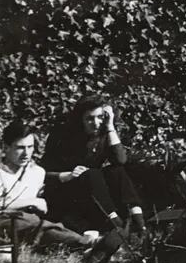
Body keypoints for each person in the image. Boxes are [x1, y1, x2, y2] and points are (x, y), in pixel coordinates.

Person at [0, 121, 122, 263]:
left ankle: (86, 248)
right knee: (29, 223)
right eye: (20, 147)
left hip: (24, 226)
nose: (26, 153)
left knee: (38, 223)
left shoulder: (36, 173)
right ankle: (88, 243)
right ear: (6, 148)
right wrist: (31, 202)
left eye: (30, 147)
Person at [41, 96, 148, 237]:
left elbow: (120, 161)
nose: (96, 123)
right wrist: (67, 175)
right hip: (65, 190)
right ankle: (117, 225)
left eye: (100, 117)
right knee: (93, 173)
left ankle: (139, 223)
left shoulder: (104, 134)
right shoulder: (62, 136)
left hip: (92, 189)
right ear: (80, 120)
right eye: (90, 119)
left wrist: (110, 127)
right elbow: (43, 173)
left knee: (116, 171)